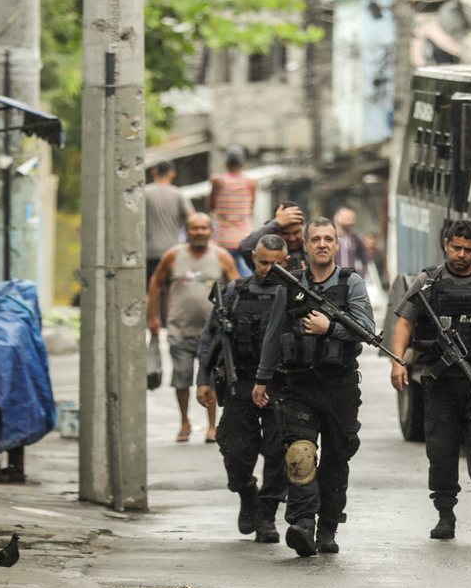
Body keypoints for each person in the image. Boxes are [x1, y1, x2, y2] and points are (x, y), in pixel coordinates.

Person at [252, 217, 374, 558]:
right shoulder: (288, 286)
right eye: (316, 239)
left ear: (337, 245)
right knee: (300, 455)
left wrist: (330, 327)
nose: (322, 244)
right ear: (304, 245)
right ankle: (303, 524)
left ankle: (328, 527)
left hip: (340, 387)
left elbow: (366, 330)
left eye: (328, 239)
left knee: (337, 460)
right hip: (298, 387)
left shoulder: (352, 284)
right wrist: (262, 381)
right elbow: (274, 337)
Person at [389, 218, 471, 543]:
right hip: (440, 382)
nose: (461, 254)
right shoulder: (429, 282)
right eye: (456, 247)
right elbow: (404, 322)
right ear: (446, 244)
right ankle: (446, 515)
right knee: (441, 452)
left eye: (468, 249)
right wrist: (398, 361)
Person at [196, 235, 292, 542]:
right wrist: (203, 379)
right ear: (253, 258)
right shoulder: (235, 292)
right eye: (264, 262)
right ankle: (246, 491)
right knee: (235, 451)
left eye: (276, 263)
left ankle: (267, 516)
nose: (269, 268)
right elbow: (210, 339)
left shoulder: (293, 292)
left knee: (278, 454)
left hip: (280, 385)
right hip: (240, 382)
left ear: (287, 261)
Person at [148, 212, 239, 443]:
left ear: (211, 231)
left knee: (211, 380)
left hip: (214, 333)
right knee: (182, 379)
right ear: (186, 232)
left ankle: (212, 426)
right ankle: (184, 422)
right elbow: (155, 284)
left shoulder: (222, 256)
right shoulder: (172, 256)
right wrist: (153, 318)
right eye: (195, 228)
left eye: (204, 228)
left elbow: (237, 288)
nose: (200, 232)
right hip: (179, 329)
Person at [145, 160, 192, 321]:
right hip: (172, 250)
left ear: (153, 172)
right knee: (170, 289)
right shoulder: (178, 194)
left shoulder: (144, 193)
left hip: (148, 250)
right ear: (173, 174)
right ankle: (169, 324)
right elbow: (192, 217)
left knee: (151, 289)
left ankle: (151, 321)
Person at [210, 146, 257, 275]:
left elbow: (210, 206)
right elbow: (250, 209)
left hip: (223, 238)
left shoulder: (218, 180)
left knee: (225, 275)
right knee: (245, 275)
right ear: (243, 164)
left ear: (225, 164)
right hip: (245, 237)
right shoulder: (250, 183)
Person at [237, 201, 306, 273]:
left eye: (296, 232)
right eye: (285, 234)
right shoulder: (265, 251)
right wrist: (276, 223)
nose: (292, 239)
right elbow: (245, 248)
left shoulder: (311, 248)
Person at [334, 207, 371, 273]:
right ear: (336, 218)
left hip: (351, 280)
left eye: (352, 219)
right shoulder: (330, 238)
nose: (350, 222)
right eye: (347, 219)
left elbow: (366, 261)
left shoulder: (357, 239)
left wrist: (359, 276)